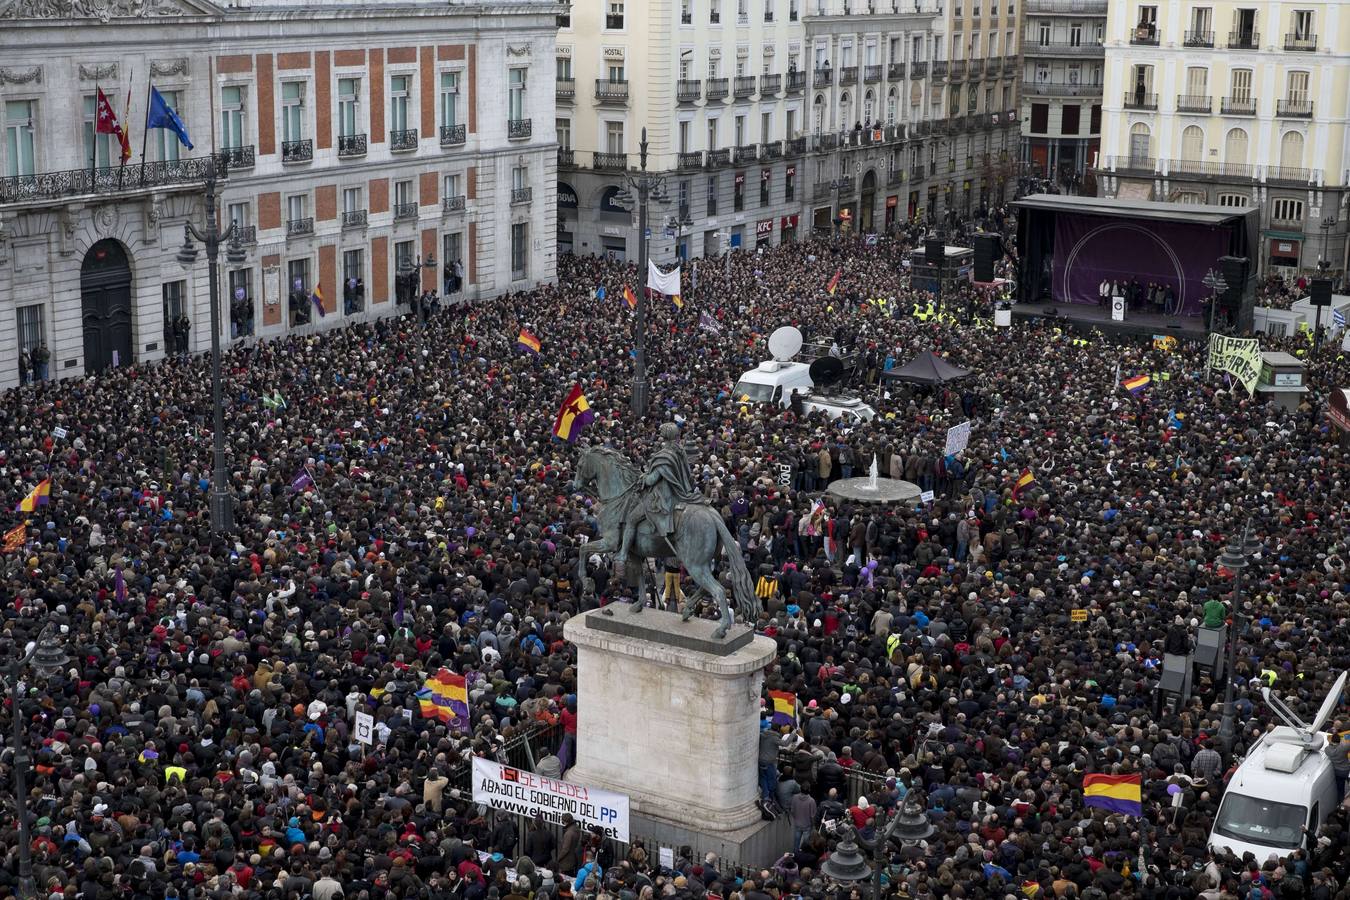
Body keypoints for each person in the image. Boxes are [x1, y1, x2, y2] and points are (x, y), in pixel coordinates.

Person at [614, 422, 701, 568]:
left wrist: (643, 477)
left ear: (664, 436)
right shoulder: (680, 451)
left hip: (662, 496)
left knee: (631, 519)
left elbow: (652, 480)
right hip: (679, 491)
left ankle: (622, 554)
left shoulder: (664, 456)